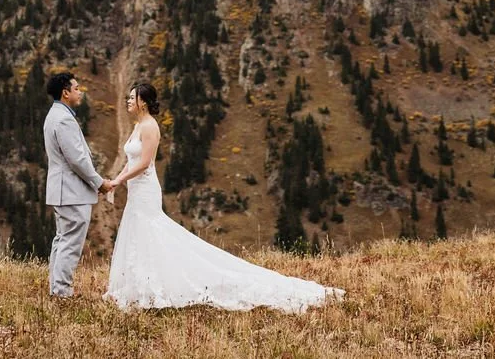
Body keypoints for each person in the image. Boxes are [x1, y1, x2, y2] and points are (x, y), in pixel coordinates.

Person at [103, 82, 344, 311]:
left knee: (152, 233)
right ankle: (139, 285)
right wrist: (116, 179)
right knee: (139, 236)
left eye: (131, 98)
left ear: (143, 102)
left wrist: (120, 180)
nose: (127, 101)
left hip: (145, 190)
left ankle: (157, 285)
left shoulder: (150, 127)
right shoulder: (136, 126)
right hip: (135, 191)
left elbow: (145, 163)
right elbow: (130, 161)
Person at [43, 72, 112, 298]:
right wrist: (99, 182)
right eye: (76, 88)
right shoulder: (63, 119)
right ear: (65, 92)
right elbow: (77, 159)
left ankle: (56, 289)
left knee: (62, 239)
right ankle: (62, 292)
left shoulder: (55, 115)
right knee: (70, 243)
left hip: (62, 190)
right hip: (71, 191)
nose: (80, 92)